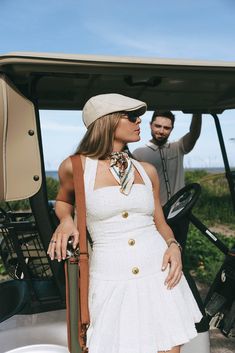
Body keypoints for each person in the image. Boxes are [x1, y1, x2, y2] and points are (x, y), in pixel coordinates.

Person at [47, 93, 202, 353]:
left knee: (169, 347)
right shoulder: (74, 167)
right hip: (110, 276)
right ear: (106, 121)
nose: (140, 120)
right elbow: (64, 201)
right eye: (131, 116)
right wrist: (65, 220)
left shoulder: (145, 170)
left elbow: (160, 223)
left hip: (159, 273)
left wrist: (174, 245)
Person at [133, 112, 211, 345]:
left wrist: (197, 111)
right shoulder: (139, 153)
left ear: (171, 129)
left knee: (179, 259)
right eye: (158, 126)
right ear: (150, 125)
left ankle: (181, 309)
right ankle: (158, 310)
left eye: (166, 128)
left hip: (178, 214)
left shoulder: (178, 147)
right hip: (156, 216)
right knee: (157, 262)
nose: (161, 131)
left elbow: (194, 134)